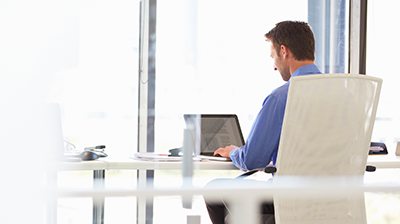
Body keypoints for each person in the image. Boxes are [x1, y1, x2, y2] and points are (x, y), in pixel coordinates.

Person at [205, 20, 322, 224]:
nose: (275, 67)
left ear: (284, 51)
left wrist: (233, 151)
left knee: (215, 189)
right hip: (334, 199)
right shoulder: (345, 96)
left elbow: (252, 160)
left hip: (289, 199)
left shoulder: (282, 98)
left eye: (273, 56)